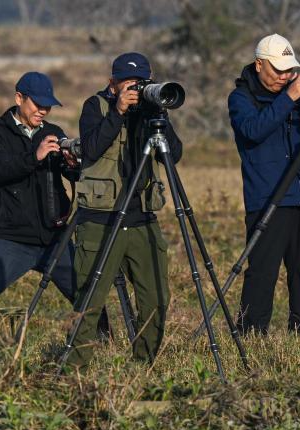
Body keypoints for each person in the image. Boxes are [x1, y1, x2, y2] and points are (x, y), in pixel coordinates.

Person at [67, 52, 182, 367]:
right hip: (100, 222)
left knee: (156, 299)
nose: (135, 89)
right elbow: (91, 149)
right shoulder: (96, 107)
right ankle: (75, 370)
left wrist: (159, 115)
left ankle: (142, 364)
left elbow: (174, 156)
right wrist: (117, 111)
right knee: (89, 300)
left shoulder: (149, 111)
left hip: (142, 218)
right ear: (112, 83)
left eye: (141, 83)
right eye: (128, 83)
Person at [0, 71, 80, 334]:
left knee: (87, 294)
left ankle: (103, 345)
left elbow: (71, 175)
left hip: (55, 238)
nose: (43, 110)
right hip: (11, 238)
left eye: (48, 105)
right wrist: (36, 155)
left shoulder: (54, 132)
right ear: (19, 98)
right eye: (38, 104)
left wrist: (73, 165)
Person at [228, 34, 300, 337]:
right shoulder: (241, 99)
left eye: (288, 70)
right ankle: (252, 335)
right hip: (267, 198)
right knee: (262, 273)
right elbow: (253, 130)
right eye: (278, 70)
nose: (284, 76)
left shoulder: (296, 93)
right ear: (259, 65)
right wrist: (289, 98)